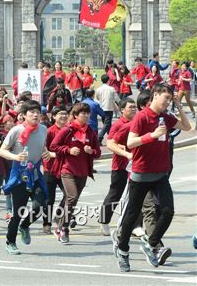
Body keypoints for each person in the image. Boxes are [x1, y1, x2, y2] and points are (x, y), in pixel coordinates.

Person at [116, 83, 191, 272]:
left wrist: (179, 106)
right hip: (141, 174)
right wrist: (152, 135)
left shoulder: (165, 117)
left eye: (170, 98)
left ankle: (151, 245)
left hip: (160, 173)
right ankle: (123, 249)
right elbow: (131, 142)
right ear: (155, 95)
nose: (168, 101)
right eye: (166, 97)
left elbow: (187, 126)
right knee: (132, 215)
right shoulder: (142, 117)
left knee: (168, 211)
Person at [0, 100, 51, 255]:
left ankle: (25, 226)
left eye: (38, 112)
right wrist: (16, 157)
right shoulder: (16, 130)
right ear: (23, 115)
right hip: (20, 175)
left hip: (34, 174)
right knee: (18, 211)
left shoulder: (43, 129)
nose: (35, 115)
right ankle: (10, 242)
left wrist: (46, 152)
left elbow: (42, 146)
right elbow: (2, 151)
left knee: (41, 205)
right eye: (31, 112)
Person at [50, 103, 101, 243]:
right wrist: (68, 150)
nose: (85, 116)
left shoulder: (90, 131)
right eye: (82, 113)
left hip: (83, 171)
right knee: (71, 197)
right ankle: (63, 228)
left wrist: (91, 151)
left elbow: (98, 152)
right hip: (67, 169)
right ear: (75, 115)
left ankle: (59, 221)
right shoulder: (68, 129)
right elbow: (54, 146)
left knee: (72, 200)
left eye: (87, 113)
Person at [99, 98, 136, 235]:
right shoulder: (119, 125)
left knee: (135, 197)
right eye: (130, 107)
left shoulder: (137, 123)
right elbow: (110, 142)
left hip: (136, 166)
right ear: (122, 110)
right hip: (121, 166)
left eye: (134, 107)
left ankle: (133, 226)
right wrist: (122, 149)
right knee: (115, 195)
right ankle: (104, 221)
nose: (133, 109)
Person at [42, 106, 69, 235]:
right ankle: (46, 224)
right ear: (53, 117)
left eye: (65, 114)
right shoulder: (49, 132)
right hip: (50, 169)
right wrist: (55, 155)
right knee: (49, 199)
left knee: (70, 195)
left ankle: (58, 215)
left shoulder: (70, 131)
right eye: (60, 114)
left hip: (65, 169)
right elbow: (44, 149)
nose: (63, 116)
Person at [95, 74, 120, 145]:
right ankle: (99, 138)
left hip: (101, 108)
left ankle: (111, 138)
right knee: (107, 124)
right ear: (108, 80)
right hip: (109, 108)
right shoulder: (111, 89)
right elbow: (117, 99)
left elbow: (97, 98)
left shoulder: (98, 89)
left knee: (107, 124)